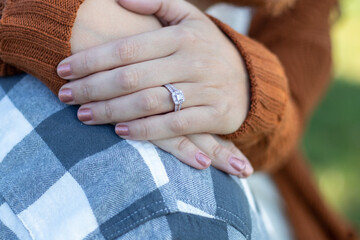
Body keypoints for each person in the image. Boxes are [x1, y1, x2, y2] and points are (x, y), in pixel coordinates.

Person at [0, 0, 357, 239]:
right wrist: (34, 14)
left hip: (261, 201)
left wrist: (253, 89)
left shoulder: (298, 10)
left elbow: (291, 108)